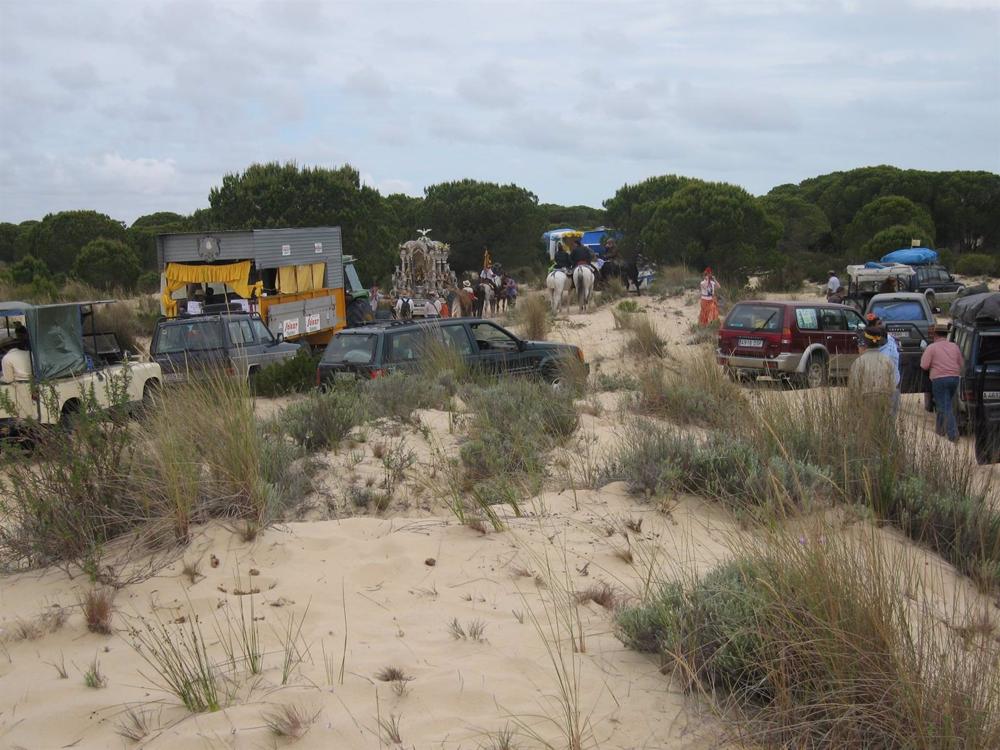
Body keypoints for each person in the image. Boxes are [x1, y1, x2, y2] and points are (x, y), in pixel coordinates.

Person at [920, 324, 963, 442]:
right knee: (944, 404)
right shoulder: (954, 346)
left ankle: (953, 434)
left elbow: (924, 365)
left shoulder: (931, 348)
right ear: (947, 334)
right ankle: (940, 430)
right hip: (954, 378)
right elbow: (961, 363)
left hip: (939, 379)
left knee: (945, 406)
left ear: (935, 334)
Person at [848, 328, 897, 409]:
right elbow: (892, 386)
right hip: (884, 402)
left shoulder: (859, 362)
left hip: (864, 403)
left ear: (865, 343)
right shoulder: (888, 361)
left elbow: (854, 388)